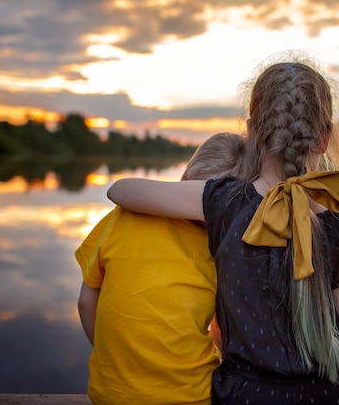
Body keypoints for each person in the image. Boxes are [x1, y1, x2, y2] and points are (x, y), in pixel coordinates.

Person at [107, 57, 339, 405]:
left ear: (252, 130)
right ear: (324, 137)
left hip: (248, 396)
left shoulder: (224, 202)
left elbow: (120, 190)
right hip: (335, 395)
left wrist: (205, 192)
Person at [76, 132, 247, 405]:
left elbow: (87, 303)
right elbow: (222, 335)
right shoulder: (223, 249)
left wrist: (116, 361)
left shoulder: (122, 216)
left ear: (187, 177)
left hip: (110, 392)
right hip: (190, 396)